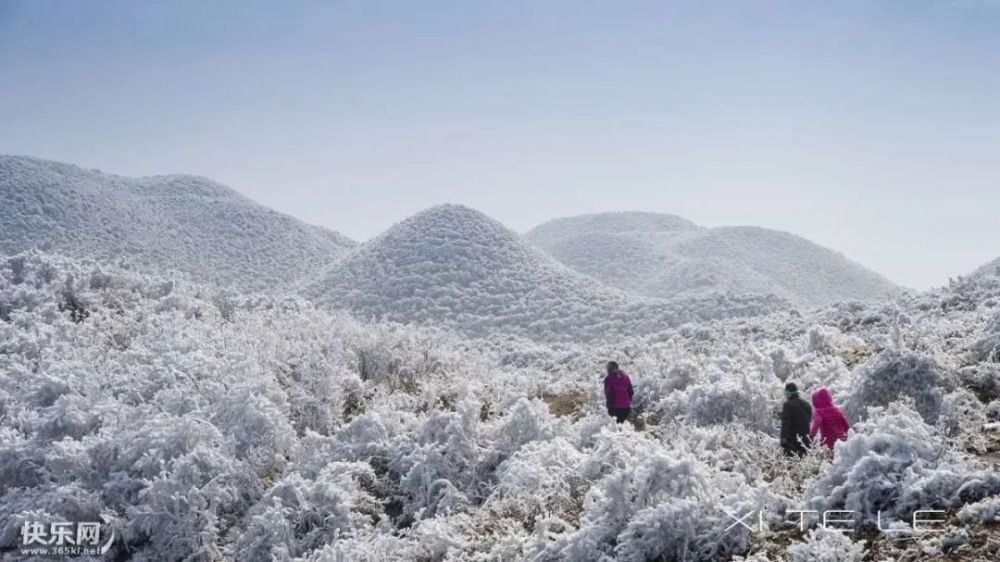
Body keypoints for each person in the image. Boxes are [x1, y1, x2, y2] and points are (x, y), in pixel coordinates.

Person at [780, 382, 812, 457]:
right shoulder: (807, 404)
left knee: (791, 464)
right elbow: (809, 421)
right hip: (805, 440)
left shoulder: (787, 405)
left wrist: (783, 439)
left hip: (792, 441)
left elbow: (785, 423)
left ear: (789, 393)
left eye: (786, 393)